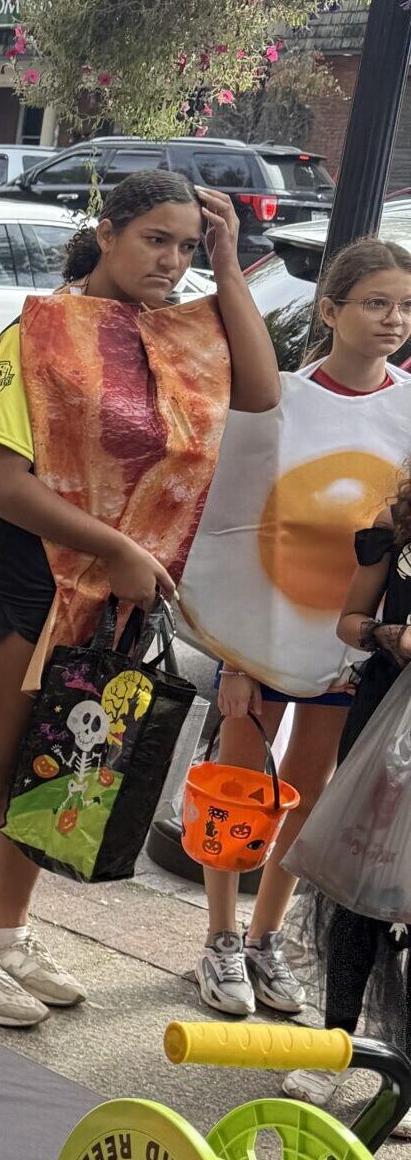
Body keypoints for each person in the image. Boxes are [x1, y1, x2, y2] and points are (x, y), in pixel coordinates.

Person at [0, 169, 280, 1028]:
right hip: (32, 571)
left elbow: (265, 394)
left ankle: (9, 936)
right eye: (154, 239)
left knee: (64, 763)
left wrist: (230, 269)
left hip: (122, 592)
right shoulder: (41, 331)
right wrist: (117, 545)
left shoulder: (182, 334)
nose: (171, 261)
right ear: (109, 231)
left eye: (187, 246)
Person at [202, 238, 411, 1017]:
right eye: (376, 303)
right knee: (239, 787)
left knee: (307, 793)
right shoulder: (279, 397)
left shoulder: (409, 404)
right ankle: (219, 939)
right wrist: (231, 657)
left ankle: (266, 939)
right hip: (261, 632)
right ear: (331, 311)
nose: (394, 320)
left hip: (352, 639)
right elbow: (226, 528)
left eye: (406, 306)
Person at [286, 454, 411, 1123]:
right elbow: (349, 623)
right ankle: (336, 1046)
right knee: (359, 886)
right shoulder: (393, 524)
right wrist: (392, 635)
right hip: (385, 721)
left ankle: (403, 1067)